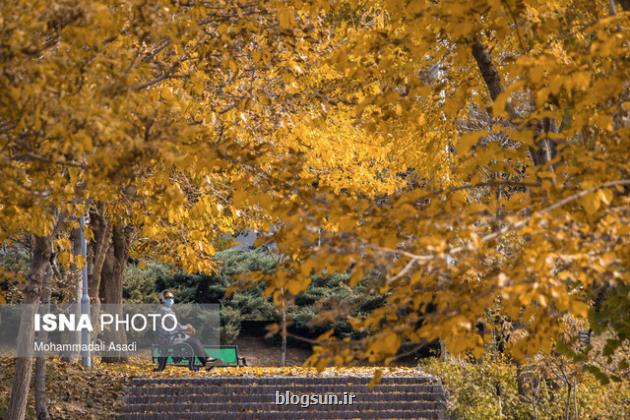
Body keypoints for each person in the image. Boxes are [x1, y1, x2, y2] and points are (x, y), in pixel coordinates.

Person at [155, 289, 216, 370]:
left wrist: (185, 330)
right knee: (194, 341)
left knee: (194, 341)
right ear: (163, 299)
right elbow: (176, 326)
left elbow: (172, 327)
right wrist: (187, 327)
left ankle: (206, 361)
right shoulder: (165, 311)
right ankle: (206, 361)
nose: (171, 299)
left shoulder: (165, 310)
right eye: (168, 297)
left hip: (170, 337)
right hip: (169, 339)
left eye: (172, 297)